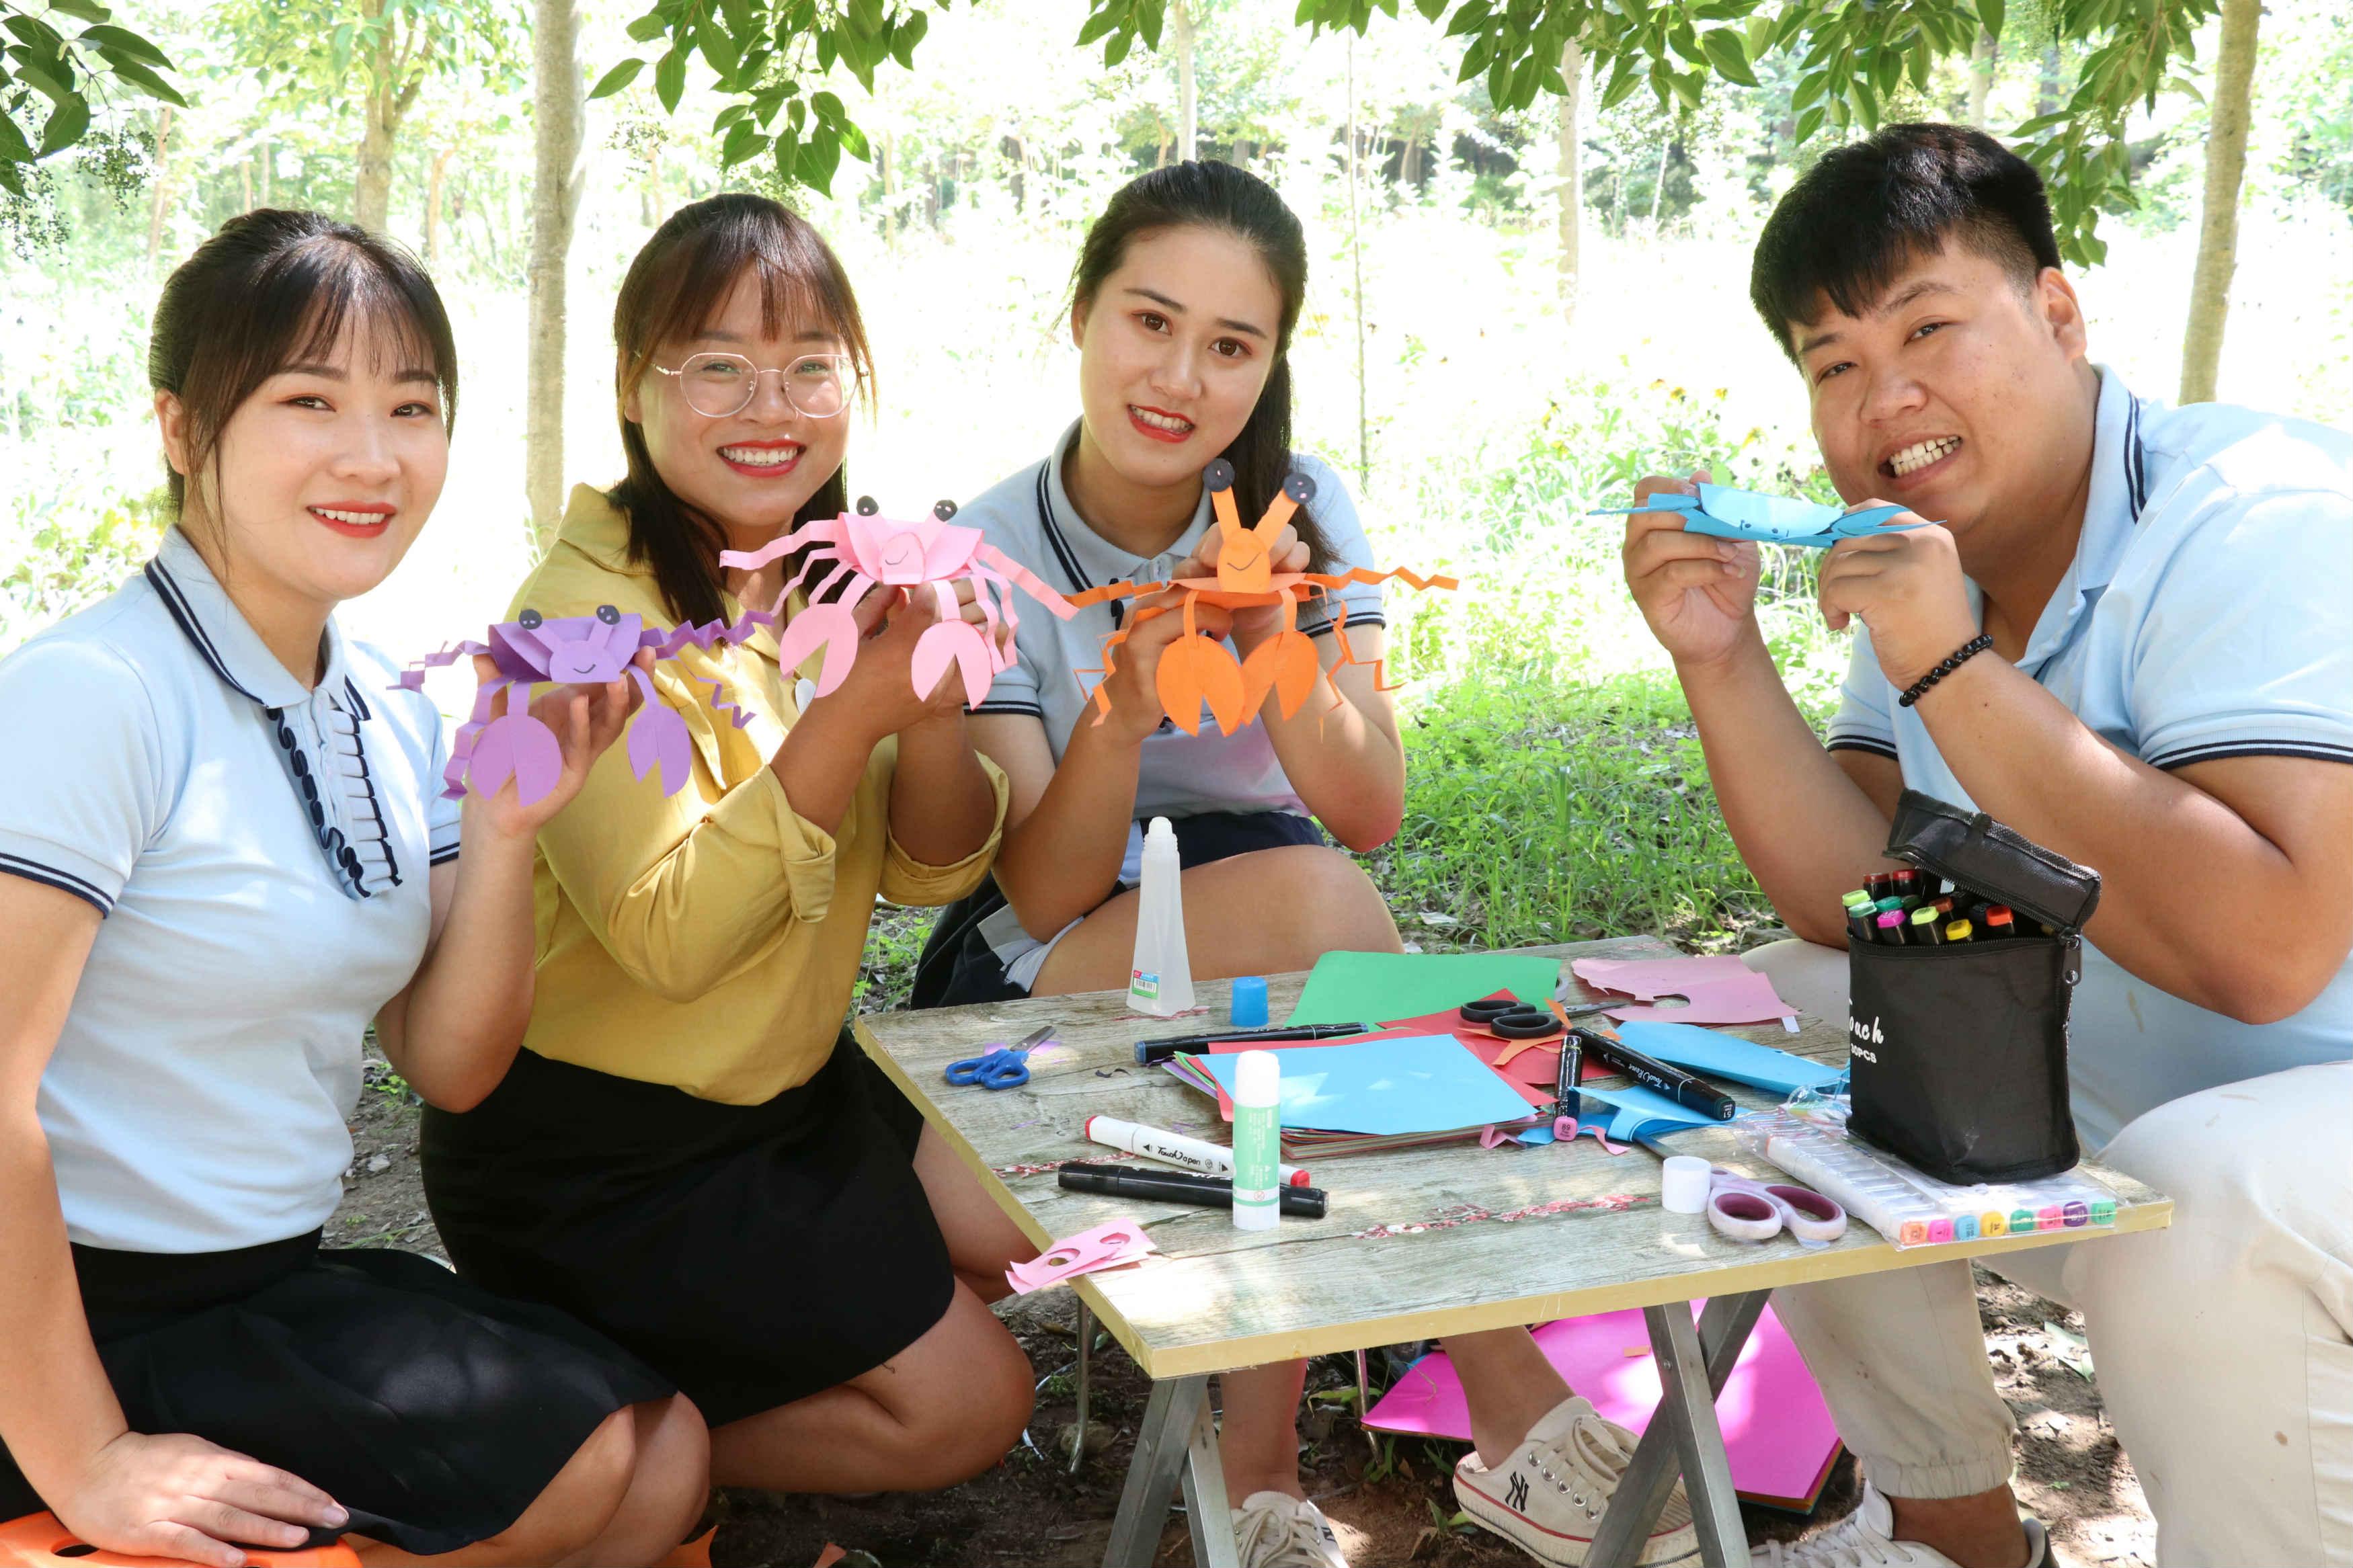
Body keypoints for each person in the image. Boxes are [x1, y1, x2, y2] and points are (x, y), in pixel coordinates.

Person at [926, 159, 1704, 1568]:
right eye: (1148, 323)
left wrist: (1273, 633)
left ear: (1271, 362)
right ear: (1083, 316)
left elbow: (1368, 804)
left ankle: (1265, 1469)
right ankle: (1504, 1410)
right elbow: (1035, 891)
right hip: (1058, 954)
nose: (1180, 377)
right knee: (1316, 934)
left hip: (1282, 962)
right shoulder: (988, 551)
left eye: (1231, 346)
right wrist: (1120, 705)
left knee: (1306, 941)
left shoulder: (1301, 503)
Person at [1616, 124, 2353, 1567]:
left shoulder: (2258, 518)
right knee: (1756, 1026)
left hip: (2302, 1106)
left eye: (1928, 328)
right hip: (2148, 1080)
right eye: (1832, 364)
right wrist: (1720, 657)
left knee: (2205, 1199)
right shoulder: (1931, 553)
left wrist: (1957, 667)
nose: (1886, 399)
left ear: (2058, 314)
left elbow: (2269, 954)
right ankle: (1945, 1532)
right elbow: (1852, 900)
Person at [0, 210, 709, 1568]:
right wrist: (86, 1459)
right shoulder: (93, 697)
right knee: (579, 1479)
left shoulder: (387, 706)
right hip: (65, 1321)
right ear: (178, 425)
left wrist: (508, 834)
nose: (372, 456)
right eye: (307, 401)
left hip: (260, 1284)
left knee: (661, 1451)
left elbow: (449, 1065)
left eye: (411, 406)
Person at [418, 193, 1039, 1501]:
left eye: (809, 365)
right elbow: (677, 941)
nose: (772, 405)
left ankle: (657, 1412)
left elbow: (928, 871)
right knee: (971, 1404)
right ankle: (633, 1465)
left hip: (781, 1099)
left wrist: (924, 696)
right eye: (718, 366)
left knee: (1000, 1239)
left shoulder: (813, 576)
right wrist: (855, 711)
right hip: (602, 1156)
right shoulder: (575, 620)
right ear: (635, 388)